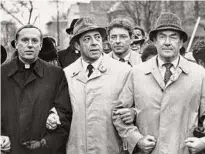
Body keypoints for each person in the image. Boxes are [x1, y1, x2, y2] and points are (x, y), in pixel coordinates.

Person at [112, 12, 205, 154]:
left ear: (181, 42)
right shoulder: (137, 73)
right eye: (162, 37)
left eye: (173, 37)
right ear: (154, 41)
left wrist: (203, 142)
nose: (167, 42)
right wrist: (136, 140)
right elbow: (118, 114)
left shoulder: (199, 74)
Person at [46, 17, 131, 154]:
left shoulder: (123, 71)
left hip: (110, 149)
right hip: (76, 148)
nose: (94, 43)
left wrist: (132, 113)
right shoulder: (67, 74)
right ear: (77, 46)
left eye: (97, 37)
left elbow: (133, 110)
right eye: (87, 39)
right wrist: (53, 115)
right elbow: (62, 109)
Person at [1, 24, 72, 154]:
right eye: (24, 40)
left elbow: (65, 113)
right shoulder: (2, 74)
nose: (30, 45)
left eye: (34, 41)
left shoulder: (56, 74)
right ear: (16, 44)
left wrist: (46, 144)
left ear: (40, 45)